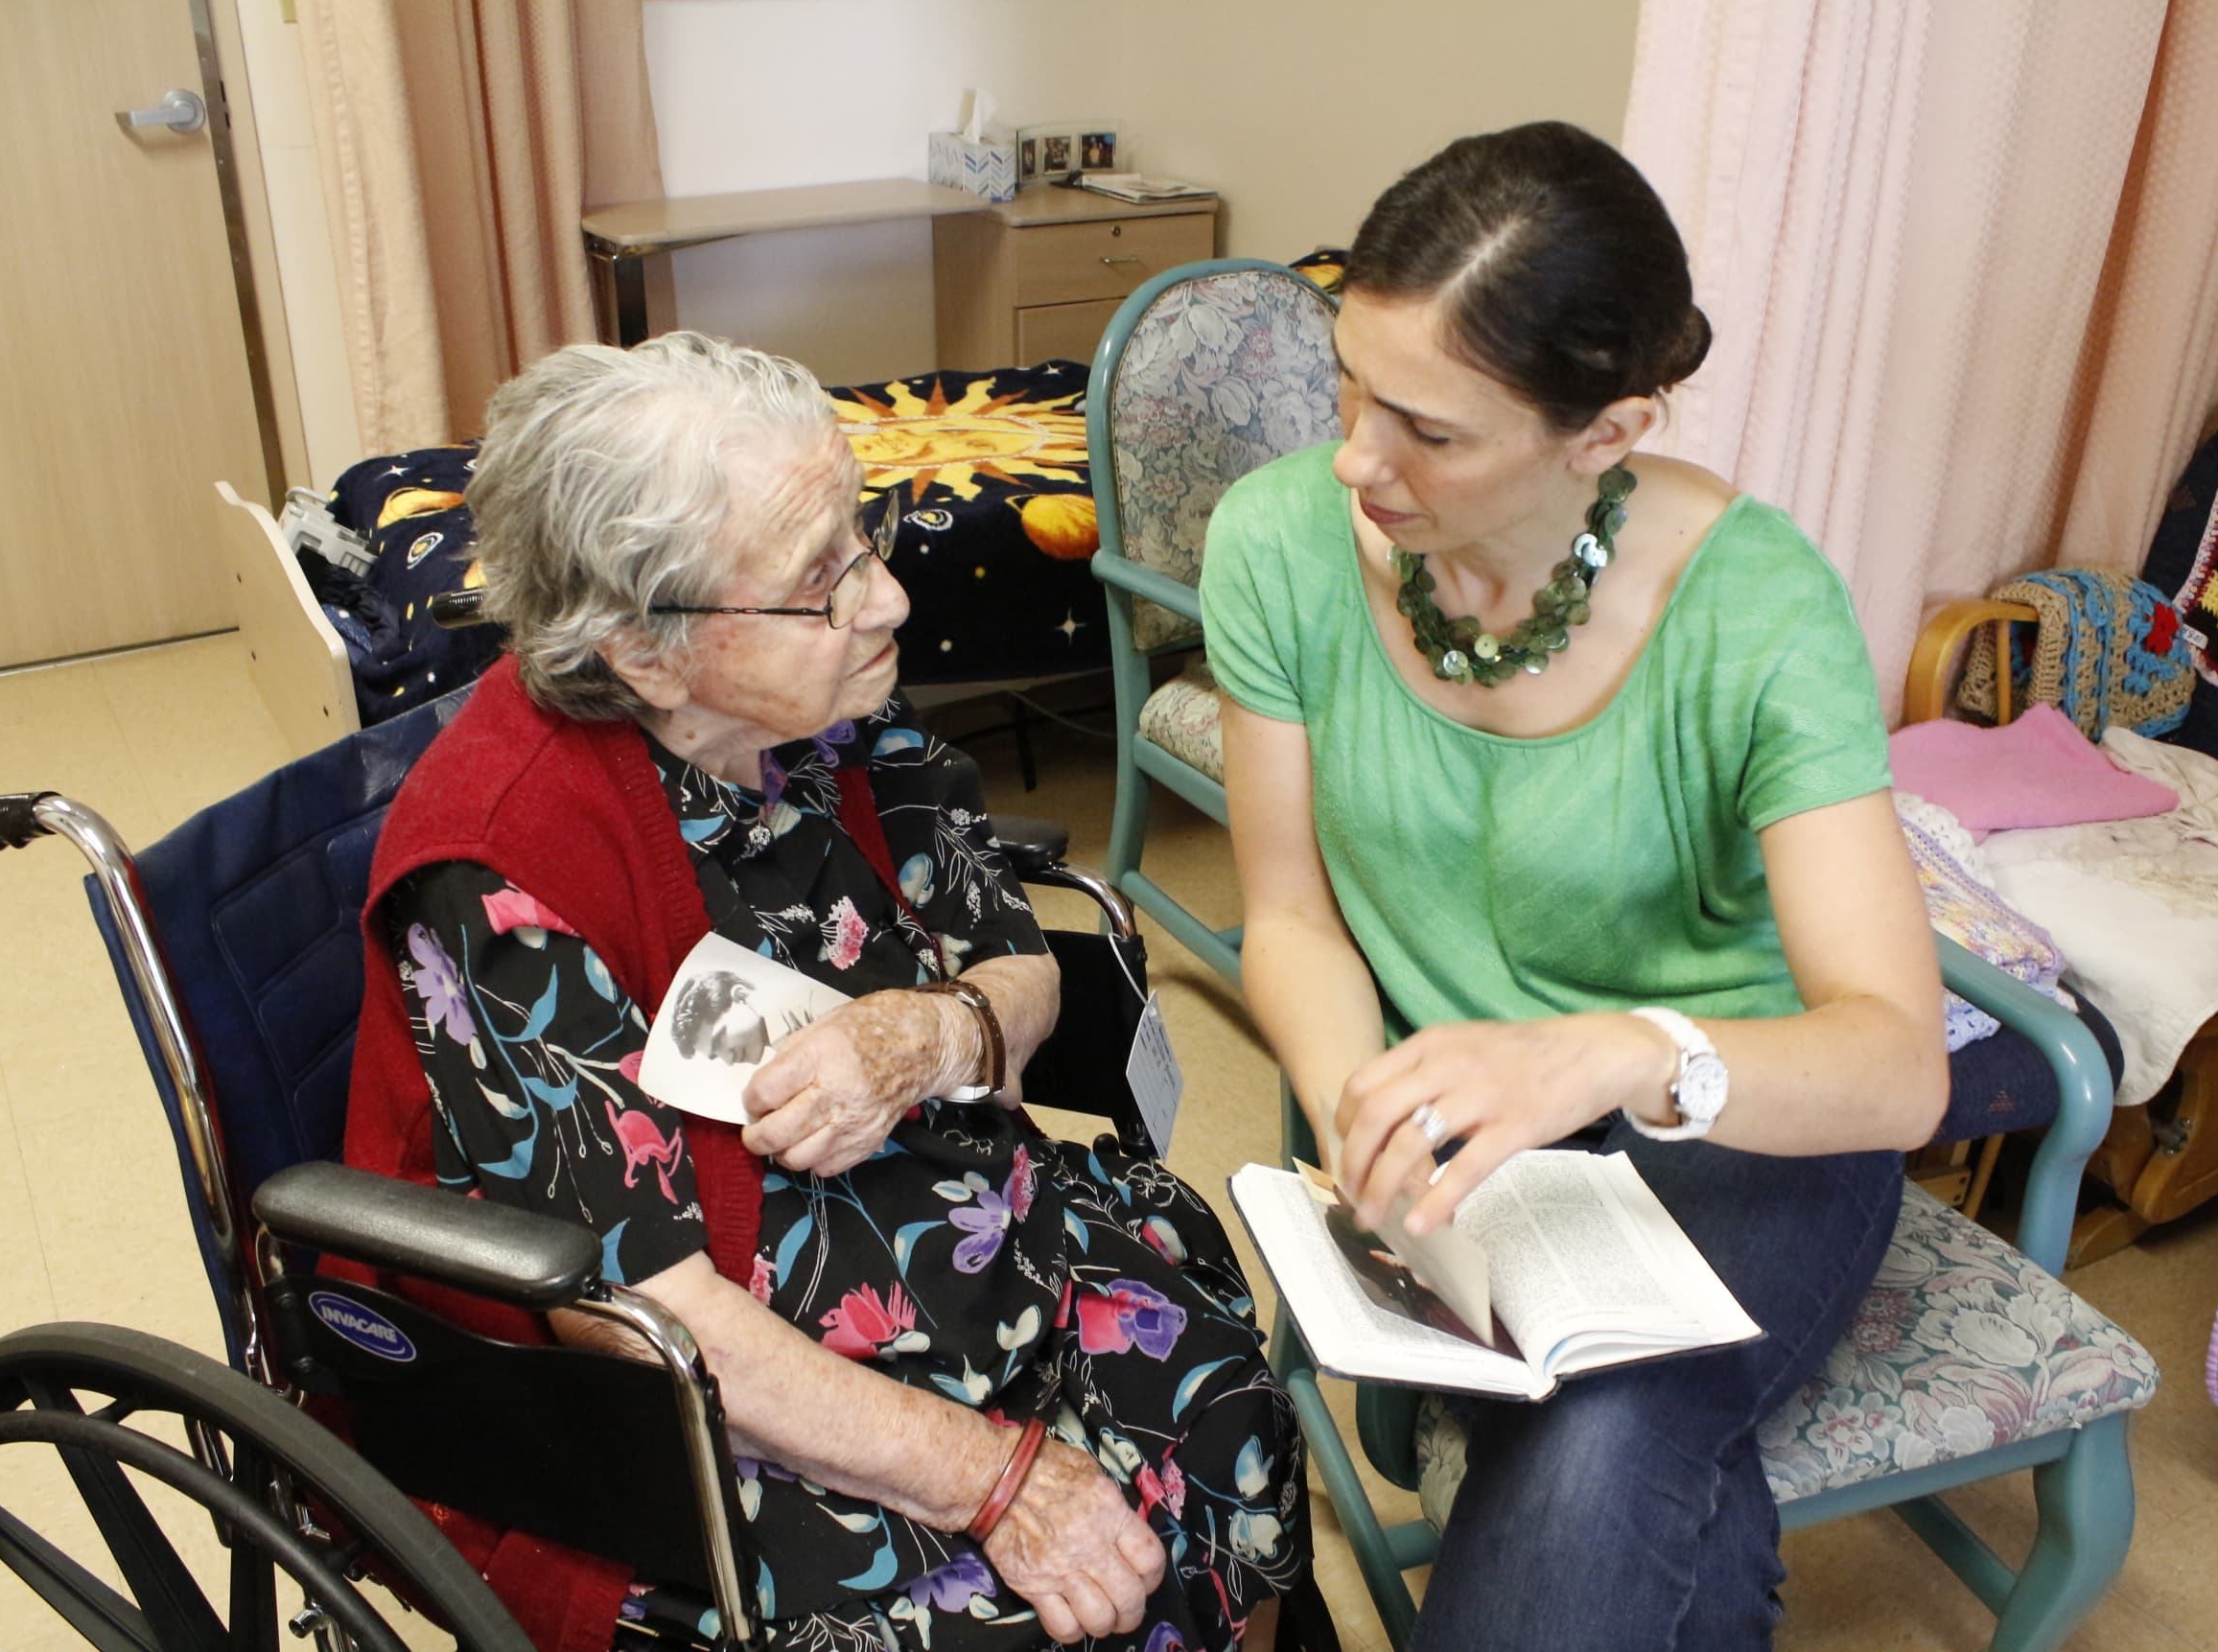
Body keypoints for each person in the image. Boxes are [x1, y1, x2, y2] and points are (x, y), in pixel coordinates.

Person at [344, 333, 1305, 1651]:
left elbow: (1020, 966)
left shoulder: (836, 706)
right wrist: (997, 1478)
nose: (889, 598)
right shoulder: (507, 869)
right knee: (1031, 1620)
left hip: (961, 1227)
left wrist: (939, 1032)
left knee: (1229, 1412)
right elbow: (646, 1312)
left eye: (865, 536)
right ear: (647, 650)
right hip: (721, 1377)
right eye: (822, 576)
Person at [1201, 122, 1948, 1649]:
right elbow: (1288, 916)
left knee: (1599, 1433)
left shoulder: (1757, 603)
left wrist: (1622, 1052)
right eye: (1349, 383)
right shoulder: (1280, 541)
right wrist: (1375, 1118)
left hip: (1745, 1120)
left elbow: (1897, 1062)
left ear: (1607, 430)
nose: (1354, 456)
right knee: (1657, 1502)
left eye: (1431, 429)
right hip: (1481, 1115)